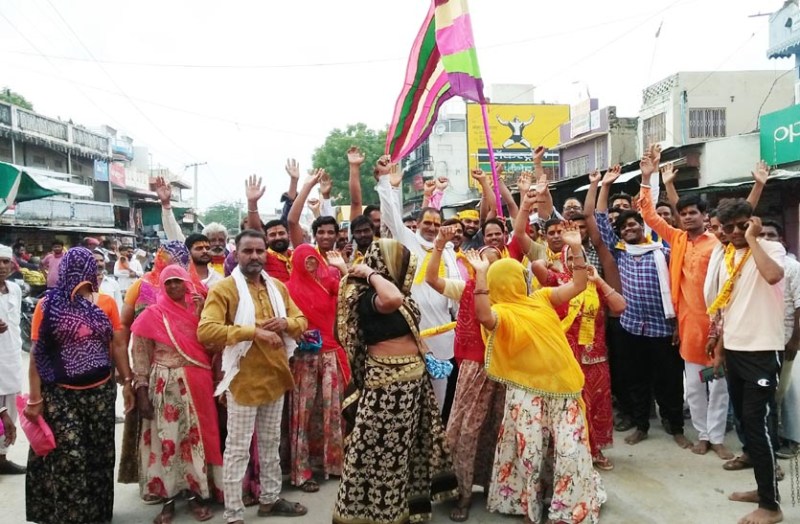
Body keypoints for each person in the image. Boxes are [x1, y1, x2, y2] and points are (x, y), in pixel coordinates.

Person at [469, 247, 605, 524]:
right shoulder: (501, 312)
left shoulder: (541, 298)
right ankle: (529, 506)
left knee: (570, 450)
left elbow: (579, 284)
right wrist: (481, 276)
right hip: (528, 394)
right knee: (530, 453)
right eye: (520, 275)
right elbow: (483, 316)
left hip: (565, 390)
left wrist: (576, 247)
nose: (525, 279)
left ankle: (568, 511)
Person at [333, 239, 458, 524]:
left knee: (406, 451)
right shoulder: (367, 296)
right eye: (401, 263)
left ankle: (406, 509)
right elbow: (392, 301)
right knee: (383, 453)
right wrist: (369, 273)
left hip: (412, 385)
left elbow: (408, 322)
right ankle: (378, 514)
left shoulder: (398, 293)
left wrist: (426, 358)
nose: (406, 270)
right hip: (387, 388)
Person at [198, 229, 308, 524]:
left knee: (271, 443)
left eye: (260, 251)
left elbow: (300, 320)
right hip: (243, 381)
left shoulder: (277, 288)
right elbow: (206, 331)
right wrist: (252, 331)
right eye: (248, 251)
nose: (255, 256)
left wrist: (286, 322)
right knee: (237, 449)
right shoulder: (224, 290)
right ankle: (234, 513)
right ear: (237, 253)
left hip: (275, 377)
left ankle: (270, 499)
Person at [24, 247, 134, 524]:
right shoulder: (47, 306)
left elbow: (117, 345)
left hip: (100, 392)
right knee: (69, 458)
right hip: (61, 395)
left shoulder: (106, 303)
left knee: (100, 455)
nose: (86, 274)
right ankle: (72, 517)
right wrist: (35, 399)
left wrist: (127, 381)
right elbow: (38, 354)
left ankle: (97, 514)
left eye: (91, 269)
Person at [594, 165, 689, 448]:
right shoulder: (620, 252)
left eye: (634, 224)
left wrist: (648, 179)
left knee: (669, 381)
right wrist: (605, 185)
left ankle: (676, 428)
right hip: (632, 327)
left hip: (663, 328)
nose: (629, 228)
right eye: (624, 227)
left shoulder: (663, 252)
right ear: (620, 234)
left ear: (642, 227)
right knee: (636, 381)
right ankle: (641, 426)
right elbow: (600, 220)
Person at [708, 200, 785, 524]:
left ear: (753, 222)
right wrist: (721, 349)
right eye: (729, 228)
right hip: (736, 351)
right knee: (745, 422)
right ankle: (763, 489)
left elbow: (773, 276)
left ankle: (771, 506)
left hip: (764, 354)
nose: (736, 233)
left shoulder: (770, 248)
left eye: (743, 225)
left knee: (757, 424)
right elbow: (730, 307)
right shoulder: (726, 255)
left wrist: (753, 239)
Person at [131, 265, 222, 524]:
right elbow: (140, 355)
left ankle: (197, 496)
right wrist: (141, 392)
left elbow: (213, 345)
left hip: (198, 383)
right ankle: (168, 500)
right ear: (161, 285)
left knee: (196, 440)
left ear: (186, 283)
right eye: (168, 282)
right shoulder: (152, 315)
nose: (173, 287)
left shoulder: (199, 311)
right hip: (164, 386)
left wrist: (204, 311)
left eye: (177, 281)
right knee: (167, 441)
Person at [425, 227, 505, 522]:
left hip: (504, 369)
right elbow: (432, 279)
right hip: (473, 367)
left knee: (498, 429)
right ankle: (463, 493)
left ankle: (498, 487)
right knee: (465, 430)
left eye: (493, 261)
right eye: (481, 259)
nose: (484, 263)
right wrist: (439, 245)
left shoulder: (511, 292)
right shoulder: (467, 287)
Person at [375, 156, 461, 412]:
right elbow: (390, 214)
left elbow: (455, 295)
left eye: (436, 224)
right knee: (411, 403)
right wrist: (384, 181)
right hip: (411, 336)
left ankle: (434, 449)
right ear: (418, 224)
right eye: (427, 223)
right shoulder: (407, 241)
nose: (432, 228)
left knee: (438, 403)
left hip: (444, 337)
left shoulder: (447, 253)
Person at [532, 239, 625, 471]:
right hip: (566, 357)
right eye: (571, 258)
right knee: (572, 406)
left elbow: (620, 306)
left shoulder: (594, 285)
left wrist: (599, 280)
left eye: (579, 258)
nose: (575, 262)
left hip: (596, 357)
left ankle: (596, 450)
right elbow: (535, 266)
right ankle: (573, 450)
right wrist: (552, 263)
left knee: (597, 405)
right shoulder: (558, 283)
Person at [285, 244, 350, 492]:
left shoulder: (330, 285)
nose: (310, 265)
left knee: (332, 412)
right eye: (305, 261)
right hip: (303, 358)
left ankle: (333, 464)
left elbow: (351, 295)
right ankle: (302, 470)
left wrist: (342, 269)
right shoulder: (287, 289)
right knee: (303, 415)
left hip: (331, 356)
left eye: (314, 260)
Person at [759, 221, 800, 459]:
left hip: (788, 340)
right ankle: (773, 437)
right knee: (771, 394)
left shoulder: (792, 267)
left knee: (790, 393)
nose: (767, 238)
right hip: (764, 340)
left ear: (782, 239)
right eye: (762, 235)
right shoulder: (756, 264)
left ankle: (792, 439)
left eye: (771, 235)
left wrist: (795, 341)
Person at [0, 244, 24, 474]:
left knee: (10, 411)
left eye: (6, 262)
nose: (2, 267)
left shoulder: (15, 290)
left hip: (12, 358)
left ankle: (2, 457)